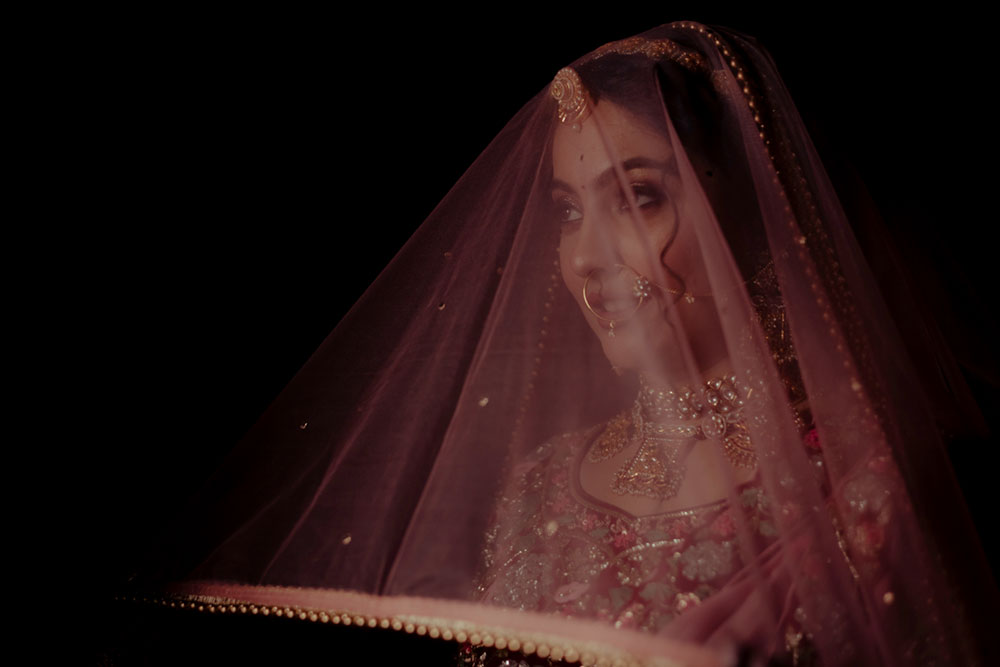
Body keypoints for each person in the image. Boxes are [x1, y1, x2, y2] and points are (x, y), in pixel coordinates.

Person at [133, 22, 996, 666]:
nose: (587, 257)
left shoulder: (862, 486)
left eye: (639, 197)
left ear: (750, 212)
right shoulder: (538, 482)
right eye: (569, 210)